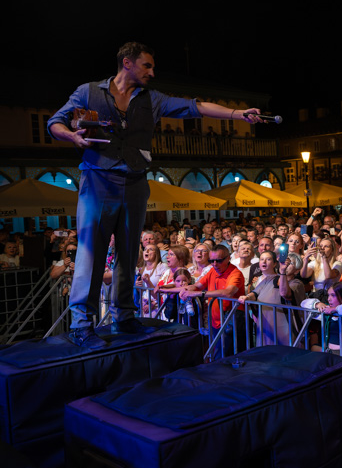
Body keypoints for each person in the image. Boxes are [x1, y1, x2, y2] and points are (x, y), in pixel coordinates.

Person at [46, 42, 262, 348]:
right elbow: (54, 122)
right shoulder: (88, 92)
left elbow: (194, 107)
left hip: (134, 181)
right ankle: (82, 324)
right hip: (98, 180)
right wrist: (70, 135)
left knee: (128, 253)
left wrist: (238, 114)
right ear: (127, 63)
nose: (152, 71)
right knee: (90, 252)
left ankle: (124, 316)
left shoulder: (152, 99)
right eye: (147, 65)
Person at [179, 244, 246, 359]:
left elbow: (228, 292)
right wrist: (184, 290)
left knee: (225, 356)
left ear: (228, 258)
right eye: (212, 261)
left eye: (219, 261)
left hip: (230, 319)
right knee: (217, 355)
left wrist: (200, 293)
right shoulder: (212, 271)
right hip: (215, 320)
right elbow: (196, 286)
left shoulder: (235, 273)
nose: (215, 264)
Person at [239, 251, 292, 346]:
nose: (264, 262)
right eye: (262, 259)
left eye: (268, 259)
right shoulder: (264, 279)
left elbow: (285, 293)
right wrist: (246, 297)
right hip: (263, 322)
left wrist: (283, 271)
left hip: (279, 322)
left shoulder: (280, 279)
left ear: (275, 263)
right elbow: (254, 293)